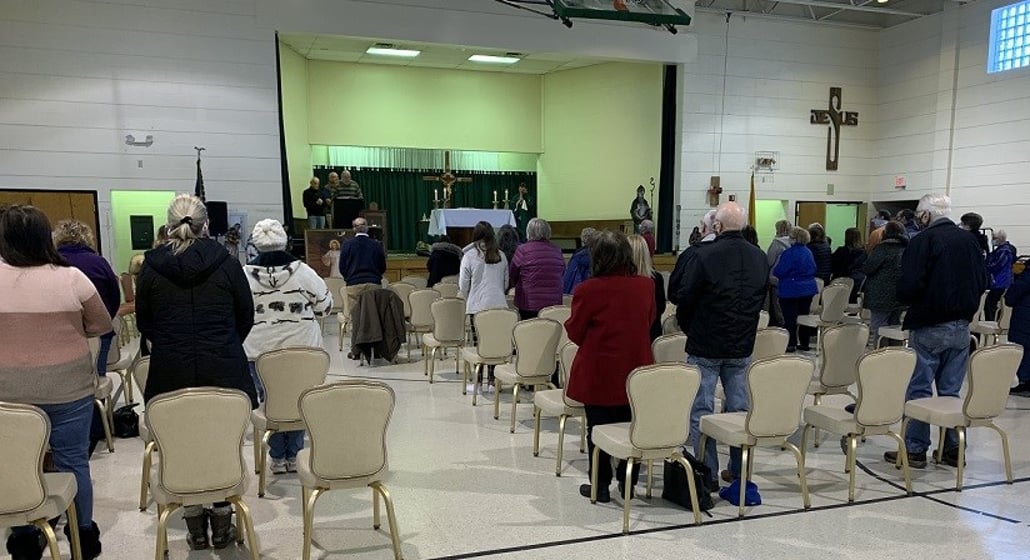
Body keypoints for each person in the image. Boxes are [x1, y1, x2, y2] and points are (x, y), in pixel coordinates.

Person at [135, 194, 257, 551]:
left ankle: (193, 520)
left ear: (169, 223)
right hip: (223, 366)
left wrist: (170, 343)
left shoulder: (151, 267)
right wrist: (224, 342)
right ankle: (221, 515)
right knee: (224, 440)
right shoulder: (227, 263)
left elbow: (145, 322)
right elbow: (245, 315)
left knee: (179, 442)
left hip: (170, 368)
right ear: (206, 225)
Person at [1, 205, 110, 559]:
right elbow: (102, 324)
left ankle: (23, 536)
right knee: (74, 462)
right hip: (69, 388)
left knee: (18, 463)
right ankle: (83, 535)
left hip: (9, 392)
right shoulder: (72, 277)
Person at [887, 193, 990, 470]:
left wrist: (906, 299)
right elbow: (983, 280)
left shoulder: (924, 240)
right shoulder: (970, 241)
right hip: (961, 325)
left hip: (930, 323)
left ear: (925, 214)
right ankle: (952, 449)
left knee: (919, 388)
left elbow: (909, 284)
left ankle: (915, 449)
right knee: (950, 391)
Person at [676, 202, 768, 489]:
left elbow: (684, 297)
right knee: (739, 410)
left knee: (701, 411)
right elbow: (760, 298)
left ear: (717, 226)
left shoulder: (704, 255)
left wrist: (690, 327)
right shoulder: (759, 257)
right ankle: (739, 471)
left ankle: (708, 474)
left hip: (706, 342)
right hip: (742, 343)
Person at [565, 230, 655, 502]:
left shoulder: (588, 290)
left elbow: (575, 332)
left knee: (597, 429)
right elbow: (649, 321)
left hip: (599, 371)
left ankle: (600, 486)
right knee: (631, 427)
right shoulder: (645, 286)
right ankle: (628, 484)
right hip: (635, 368)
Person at [243, 219, 332, 474]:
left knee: (269, 400)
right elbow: (325, 306)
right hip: (303, 349)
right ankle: (294, 455)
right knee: (299, 400)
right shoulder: (303, 271)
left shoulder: (244, 274)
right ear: (284, 241)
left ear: (256, 244)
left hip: (259, 350)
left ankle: (277, 456)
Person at [53, 220, 120, 376]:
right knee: (97, 377)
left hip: (61, 334)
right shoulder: (99, 262)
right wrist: (104, 321)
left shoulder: (51, 264)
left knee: (68, 379)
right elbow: (114, 297)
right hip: (98, 334)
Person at [338, 217, 387, 358]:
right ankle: (377, 351)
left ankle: (356, 351)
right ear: (367, 228)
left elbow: (342, 266)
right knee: (375, 317)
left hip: (354, 284)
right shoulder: (376, 245)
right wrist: (375, 276)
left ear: (354, 229)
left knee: (356, 318)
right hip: (373, 284)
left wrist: (349, 278)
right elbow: (382, 266)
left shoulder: (347, 244)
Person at [459, 221, 509, 339]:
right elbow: (506, 283)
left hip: (476, 307)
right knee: (497, 341)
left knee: (480, 345)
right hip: (499, 304)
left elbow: (463, 286)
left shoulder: (469, 256)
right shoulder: (502, 255)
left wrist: (469, 297)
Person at [862, 221, 908, 345]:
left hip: (880, 295)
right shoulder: (906, 249)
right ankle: (895, 352)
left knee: (879, 327)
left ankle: (880, 352)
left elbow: (868, 268)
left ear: (886, 232)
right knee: (895, 327)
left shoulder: (882, 248)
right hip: (899, 295)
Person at [774, 227, 819, 353]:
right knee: (804, 316)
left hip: (790, 289)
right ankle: (804, 342)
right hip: (808, 289)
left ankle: (791, 343)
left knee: (790, 318)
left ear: (794, 238)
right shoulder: (808, 252)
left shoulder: (789, 253)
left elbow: (779, 271)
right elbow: (814, 268)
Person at [510, 218, 564, 320]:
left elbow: (513, 274)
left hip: (528, 302)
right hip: (553, 303)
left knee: (529, 328)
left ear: (529, 232)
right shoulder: (557, 250)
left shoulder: (522, 250)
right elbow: (561, 272)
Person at [668, 210, 717, 306]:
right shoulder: (734, 254)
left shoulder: (691, 253)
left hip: (695, 311)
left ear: (704, 228)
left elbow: (675, 289)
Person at [628, 234, 666, 341]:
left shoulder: (622, 281)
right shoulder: (656, 278)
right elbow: (660, 307)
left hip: (629, 333)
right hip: (652, 333)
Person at [1005, 257, 1030, 396]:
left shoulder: (1027, 276)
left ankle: (1025, 382)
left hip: (1025, 319)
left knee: (1026, 350)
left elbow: (1011, 296)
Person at [765, 219, 793, 327]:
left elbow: (769, 261)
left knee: (777, 306)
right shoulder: (793, 244)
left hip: (776, 279)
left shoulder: (776, 244)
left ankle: (780, 326)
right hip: (790, 279)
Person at [985, 229, 1017, 321]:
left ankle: (991, 321)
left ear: (999, 239)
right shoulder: (1008, 249)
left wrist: (985, 267)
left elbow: (996, 265)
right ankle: (997, 321)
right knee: (998, 304)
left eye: (994, 238)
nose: (993, 240)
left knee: (989, 304)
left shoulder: (1003, 251)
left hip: (999, 281)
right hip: (1005, 281)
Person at [830, 227, 867, 302]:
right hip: (857, 283)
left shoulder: (840, 251)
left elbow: (833, 266)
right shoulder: (864, 253)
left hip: (840, 283)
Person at [562, 227, 597, 295]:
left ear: (582, 240)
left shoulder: (577, 257)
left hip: (579, 291)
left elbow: (569, 278)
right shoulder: (602, 256)